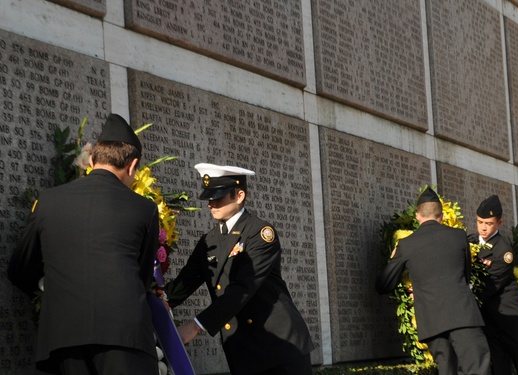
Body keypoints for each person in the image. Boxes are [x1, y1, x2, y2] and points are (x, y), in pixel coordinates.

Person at [7, 114, 160, 374]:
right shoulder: (144, 208)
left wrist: (54, 289)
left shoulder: (48, 201)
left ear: (91, 160)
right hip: (125, 338)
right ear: (133, 166)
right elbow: (142, 276)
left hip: (64, 338)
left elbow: (20, 269)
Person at [163, 163, 314, 375]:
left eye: (218, 197)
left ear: (239, 195)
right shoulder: (209, 240)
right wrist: (156, 300)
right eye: (208, 198)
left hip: (278, 349)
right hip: (244, 350)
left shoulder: (260, 234)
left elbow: (243, 287)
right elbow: (185, 282)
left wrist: (196, 325)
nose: (211, 204)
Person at [376, 186, 490, 375]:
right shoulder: (459, 236)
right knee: (476, 368)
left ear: (418, 216)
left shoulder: (406, 245)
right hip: (462, 315)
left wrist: (393, 259)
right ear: (442, 216)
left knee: (447, 371)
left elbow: (383, 284)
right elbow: (466, 274)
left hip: (432, 322)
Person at [469, 195, 518, 375]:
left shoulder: (504, 251)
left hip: (510, 317)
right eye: (480, 221)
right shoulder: (471, 242)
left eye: (488, 223)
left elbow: (489, 286)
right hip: (490, 319)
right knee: (499, 366)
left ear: (499, 223)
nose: (483, 227)